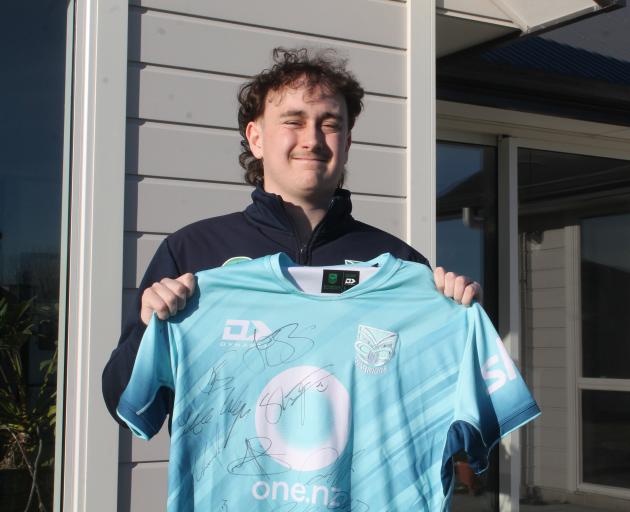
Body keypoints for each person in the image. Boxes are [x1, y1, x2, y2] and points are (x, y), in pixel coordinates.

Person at [102, 47, 481, 424]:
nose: (312, 139)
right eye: (293, 121)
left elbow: (442, 419)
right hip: (236, 484)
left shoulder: (400, 266)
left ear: (346, 143)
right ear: (256, 138)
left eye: (330, 124)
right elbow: (129, 408)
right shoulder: (193, 253)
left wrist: (456, 326)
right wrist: (151, 330)